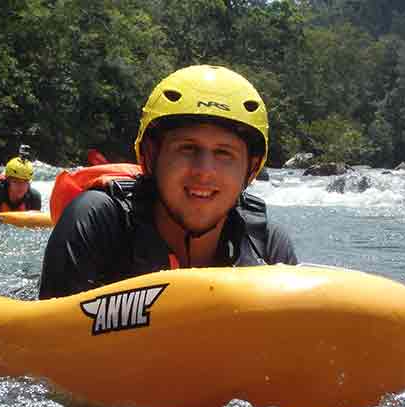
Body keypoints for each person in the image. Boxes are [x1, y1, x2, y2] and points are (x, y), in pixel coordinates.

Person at [38, 65, 297, 299]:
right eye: (187, 148)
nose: (204, 171)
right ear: (151, 156)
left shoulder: (267, 246)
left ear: (250, 169)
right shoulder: (98, 221)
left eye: (224, 153)